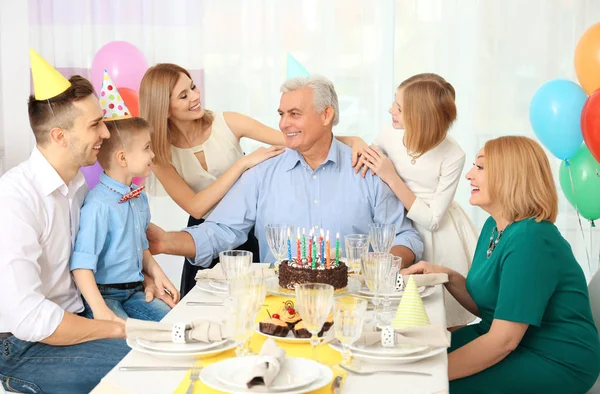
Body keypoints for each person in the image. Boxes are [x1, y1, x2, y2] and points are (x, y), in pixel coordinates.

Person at [0, 51, 167, 393]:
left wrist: (142, 279)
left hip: (79, 318)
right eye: (95, 124)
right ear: (60, 136)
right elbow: (27, 317)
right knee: (151, 362)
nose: (107, 133)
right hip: (23, 346)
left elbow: (101, 256)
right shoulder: (15, 198)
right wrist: (113, 327)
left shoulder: (77, 187)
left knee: (172, 347)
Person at [146, 75, 423, 269]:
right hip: (280, 309)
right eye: (281, 114)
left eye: (294, 114)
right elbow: (219, 231)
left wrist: (384, 268)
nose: (283, 124)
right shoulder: (261, 173)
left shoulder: (368, 169)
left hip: (354, 305)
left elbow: (404, 237)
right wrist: (166, 241)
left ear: (326, 115)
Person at [139, 64, 364, 296]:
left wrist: (348, 141)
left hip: (246, 227)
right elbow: (197, 208)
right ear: (165, 109)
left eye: (193, 87)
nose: (196, 97)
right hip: (207, 228)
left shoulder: (227, 123)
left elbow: (293, 138)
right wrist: (242, 164)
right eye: (184, 95)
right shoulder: (160, 153)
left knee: (252, 294)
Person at [404, 136, 600, 393]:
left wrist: (432, 377)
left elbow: (503, 341)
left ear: (511, 176)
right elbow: (490, 306)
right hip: (506, 339)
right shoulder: (494, 227)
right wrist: (446, 275)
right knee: (409, 359)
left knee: (424, 383)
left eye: (481, 167)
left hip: (553, 358)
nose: (469, 175)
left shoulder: (531, 239)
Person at [355, 73, 477, 328]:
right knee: (400, 314)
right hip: (399, 229)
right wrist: (353, 142)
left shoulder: (453, 154)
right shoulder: (389, 135)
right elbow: (367, 157)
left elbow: (433, 220)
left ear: (420, 116)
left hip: (439, 235)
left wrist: (391, 178)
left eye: (398, 107)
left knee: (443, 316)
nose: (391, 110)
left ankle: (448, 365)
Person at [70, 95, 179, 324]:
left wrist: (158, 274)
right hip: (104, 295)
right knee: (122, 341)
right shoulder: (98, 205)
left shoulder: (139, 198)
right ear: (122, 158)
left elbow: (142, 248)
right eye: (147, 148)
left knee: (173, 326)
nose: (152, 155)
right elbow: (81, 265)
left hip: (135, 291)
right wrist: (100, 310)